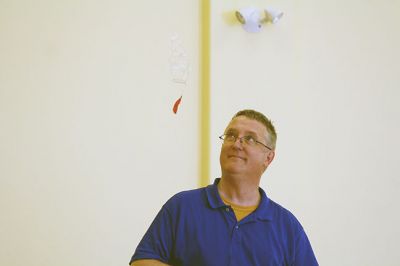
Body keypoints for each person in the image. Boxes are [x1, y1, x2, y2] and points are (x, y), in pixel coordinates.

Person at [129, 109, 318, 266]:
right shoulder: (181, 207)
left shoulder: (287, 227)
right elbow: (142, 261)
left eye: (250, 139)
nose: (237, 144)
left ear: (268, 158)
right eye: (231, 135)